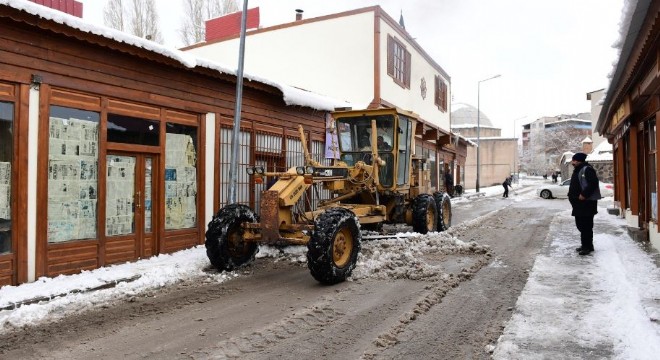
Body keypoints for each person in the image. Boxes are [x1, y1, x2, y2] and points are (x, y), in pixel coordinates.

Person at [568, 152, 601, 256]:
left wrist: (584, 194)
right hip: (579, 204)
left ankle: (587, 247)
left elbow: (593, 183)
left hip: (586, 203)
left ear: (579, 160)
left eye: (574, 160)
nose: (572, 162)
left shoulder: (587, 169)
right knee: (581, 225)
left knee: (585, 226)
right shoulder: (579, 169)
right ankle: (586, 245)